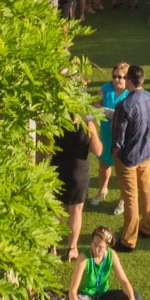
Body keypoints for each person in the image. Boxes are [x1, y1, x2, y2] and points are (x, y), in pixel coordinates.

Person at [109, 64, 150, 251]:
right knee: (146, 188)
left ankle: (129, 240)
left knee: (130, 197)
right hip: (146, 152)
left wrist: (115, 151)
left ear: (129, 80)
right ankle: (146, 227)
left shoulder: (124, 105)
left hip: (128, 157)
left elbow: (118, 138)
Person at [52, 111, 102, 261]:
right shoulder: (87, 124)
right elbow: (98, 150)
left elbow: (47, 149)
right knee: (76, 210)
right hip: (78, 172)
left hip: (57, 170)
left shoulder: (55, 122)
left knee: (56, 210)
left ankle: (51, 246)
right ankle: (71, 249)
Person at [93, 62, 131, 211]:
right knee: (104, 164)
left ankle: (122, 199)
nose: (117, 80)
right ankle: (102, 189)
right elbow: (94, 103)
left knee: (122, 170)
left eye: (120, 77)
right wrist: (104, 110)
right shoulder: (105, 89)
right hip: (106, 134)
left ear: (127, 78)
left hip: (122, 138)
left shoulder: (129, 93)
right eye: (114, 76)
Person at [69, 227, 139, 300]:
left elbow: (124, 281)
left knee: (135, 296)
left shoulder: (111, 255)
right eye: (94, 244)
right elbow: (72, 291)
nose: (96, 249)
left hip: (103, 294)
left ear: (107, 247)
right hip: (85, 296)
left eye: (100, 247)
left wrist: (131, 298)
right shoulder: (83, 258)